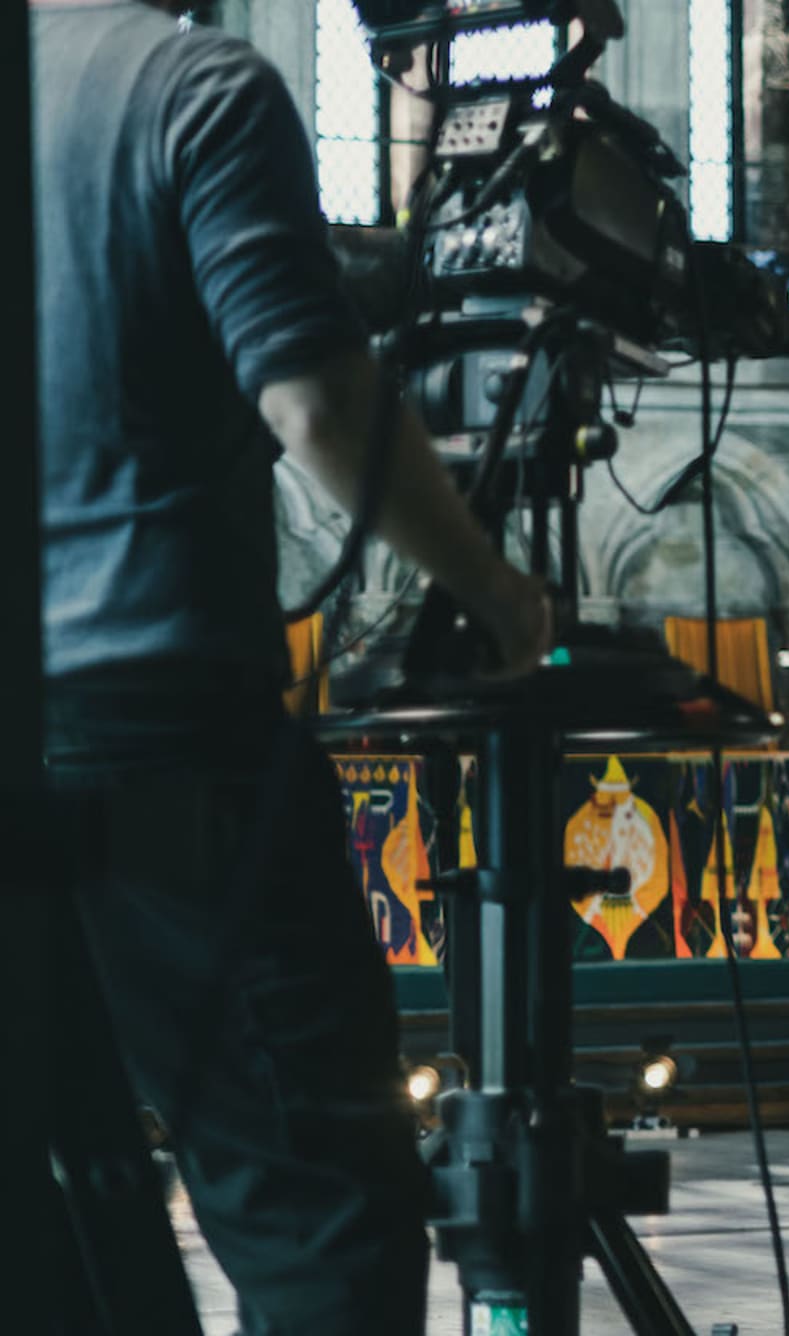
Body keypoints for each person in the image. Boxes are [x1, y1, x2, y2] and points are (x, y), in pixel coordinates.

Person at [32, 1, 554, 1331]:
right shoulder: (191, 85)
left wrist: (424, 147)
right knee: (319, 1213)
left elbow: (324, 279)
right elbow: (316, 399)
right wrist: (493, 592)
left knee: (68, 1225)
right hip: (161, 734)